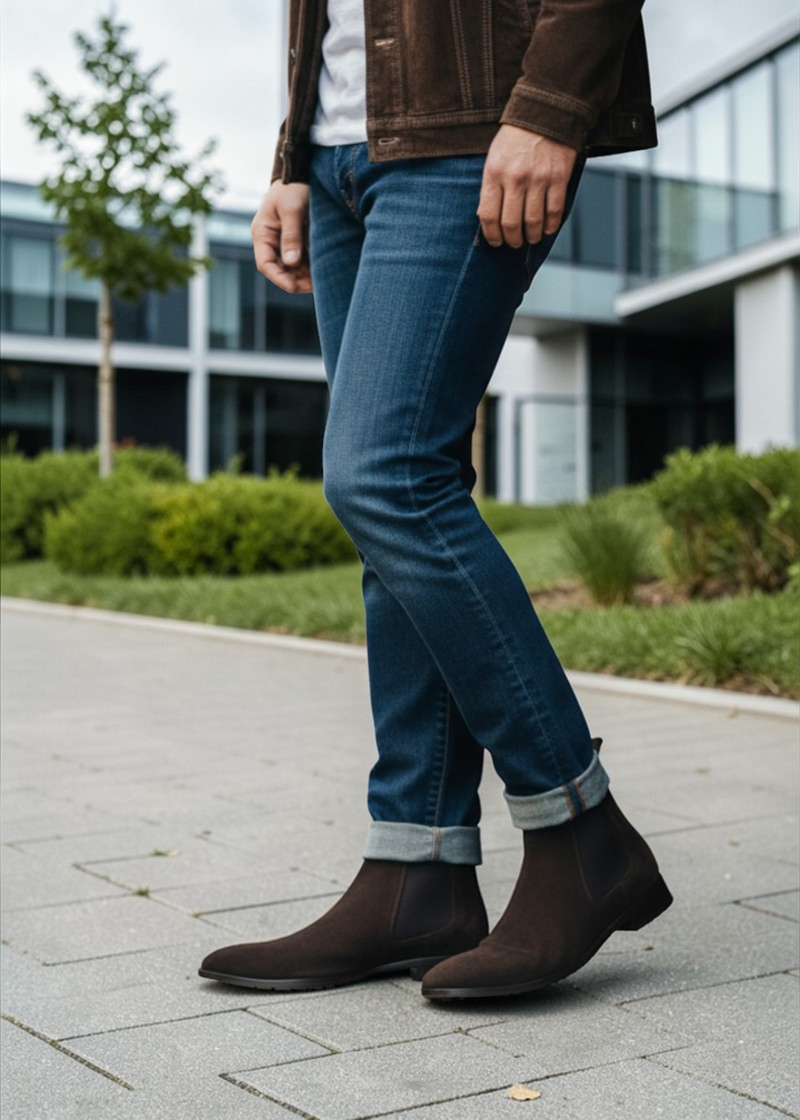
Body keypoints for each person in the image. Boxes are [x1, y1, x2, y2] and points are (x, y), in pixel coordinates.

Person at [199, 0, 672, 999]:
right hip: (336, 151)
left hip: (469, 125)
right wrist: (292, 157)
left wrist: (549, 106)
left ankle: (581, 832)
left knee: (383, 475)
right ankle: (416, 870)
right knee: (394, 510)